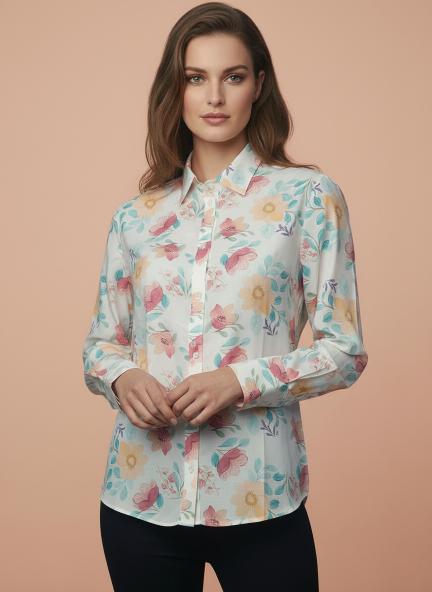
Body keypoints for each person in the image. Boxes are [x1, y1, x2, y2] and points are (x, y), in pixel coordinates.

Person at [81, 2, 368, 591]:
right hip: (139, 499)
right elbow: (100, 345)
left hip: (259, 503)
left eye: (232, 77)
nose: (214, 97)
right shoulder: (136, 217)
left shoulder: (310, 197)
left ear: (258, 85)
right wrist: (122, 378)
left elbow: (344, 352)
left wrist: (239, 382)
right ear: (176, 90)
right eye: (196, 78)